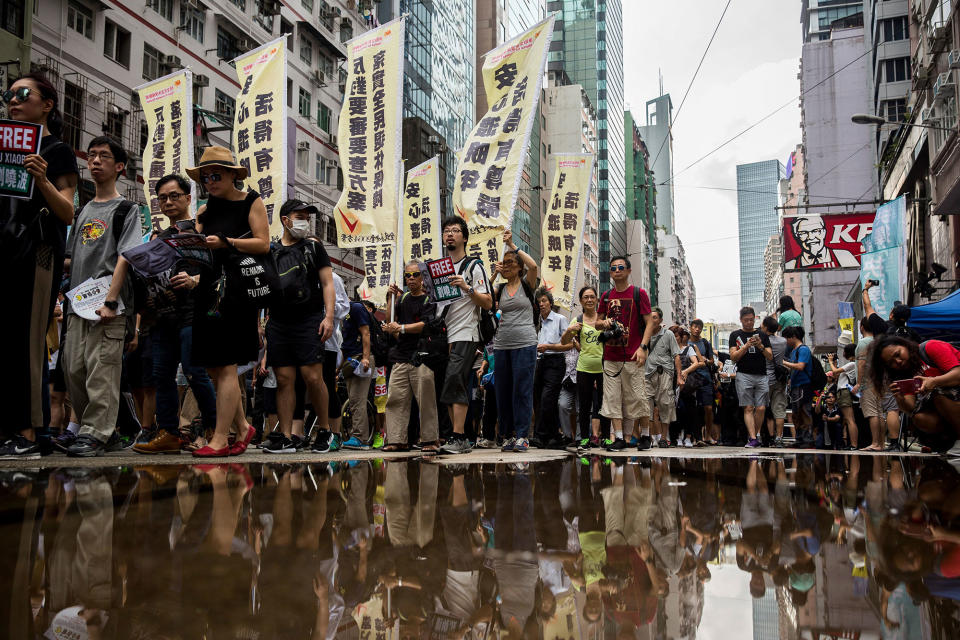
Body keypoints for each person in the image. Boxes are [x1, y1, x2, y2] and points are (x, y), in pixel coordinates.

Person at [0, 73, 78, 457]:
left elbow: (67, 211)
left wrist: (42, 179)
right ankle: (11, 427)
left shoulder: (57, 150)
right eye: (8, 95)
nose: (13, 101)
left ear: (46, 103)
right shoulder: (4, 149)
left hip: (39, 253)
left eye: (23, 94)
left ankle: (32, 433)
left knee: (30, 342)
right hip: (5, 252)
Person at [57, 137, 141, 457]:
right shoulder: (82, 211)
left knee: (101, 369)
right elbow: (71, 257)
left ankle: (96, 432)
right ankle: (109, 427)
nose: (95, 161)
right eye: (91, 155)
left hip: (109, 306)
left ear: (119, 167)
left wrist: (110, 300)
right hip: (78, 305)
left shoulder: (127, 210)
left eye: (103, 156)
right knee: (74, 369)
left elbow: (125, 257)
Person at [187, 146, 268, 457]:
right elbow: (198, 248)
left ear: (234, 174)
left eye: (216, 174)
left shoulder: (251, 201)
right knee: (213, 366)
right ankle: (244, 428)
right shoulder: (206, 210)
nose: (210, 180)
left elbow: (263, 243)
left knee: (227, 365)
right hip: (208, 287)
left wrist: (227, 243)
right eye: (205, 176)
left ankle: (220, 438)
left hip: (237, 289)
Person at [133, 174, 217, 454]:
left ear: (188, 198)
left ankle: (213, 431)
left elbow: (220, 276)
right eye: (163, 198)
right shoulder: (159, 239)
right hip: (162, 317)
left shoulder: (202, 233)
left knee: (195, 373)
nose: (168, 202)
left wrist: (195, 282)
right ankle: (168, 433)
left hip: (193, 316)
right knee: (161, 375)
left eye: (174, 196)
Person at [260, 200, 335, 453]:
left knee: (313, 377)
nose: (304, 220)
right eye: (299, 216)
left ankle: (325, 430)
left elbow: (327, 283)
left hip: (309, 320)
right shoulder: (269, 250)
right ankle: (286, 435)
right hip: (278, 322)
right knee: (283, 379)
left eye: (306, 217)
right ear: (285, 220)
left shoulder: (314, 248)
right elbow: (260, 288)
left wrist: (329, 317)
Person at [437, 216, 493, 454]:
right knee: (449, 385)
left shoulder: (474, 266)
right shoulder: (439, 268)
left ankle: (459, 436)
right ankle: (455, 435)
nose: (450, 234)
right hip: (445, 334)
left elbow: (489, 302)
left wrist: (467, 287)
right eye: (447, 231)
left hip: (466, 332)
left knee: (456, 381)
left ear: (465, 238)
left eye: (455, 231)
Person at [596, 256, 655, 451]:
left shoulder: (639, 294)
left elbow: (650, 323)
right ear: (610, 273)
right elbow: (597, 322)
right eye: (613, 268)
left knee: (638, 397)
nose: (617, 270)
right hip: (610, 358)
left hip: (633, 356)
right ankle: (619, 438)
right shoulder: (606, 296)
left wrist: (643, 348)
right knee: (612, 399)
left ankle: (646, 436)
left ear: (629, 271)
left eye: (621, 267)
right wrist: (603, 323)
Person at [381, 261, 439, 452]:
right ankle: (396, 439)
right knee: (395, 399)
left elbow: (425, 324)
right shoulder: (403, 298)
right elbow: (390, 318)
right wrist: (390, 297)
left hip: (422, 356)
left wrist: (401, 328)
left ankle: (430, 439)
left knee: (426, 400)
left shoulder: (429, 300)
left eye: (415, 275)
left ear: (423, 277)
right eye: (408, 275)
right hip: (401, 355)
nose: (411, 279)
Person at [491, 232, 539, 453]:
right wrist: (494, 274)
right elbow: (484, 298)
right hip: (501, 346)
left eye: (511, 263)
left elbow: (534, 266)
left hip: (525, 344)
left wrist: (511, 245)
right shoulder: (499, 289)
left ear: (519, 268)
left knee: (522, 390)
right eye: (505, 263)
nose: (507, 266)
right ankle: (507, 435)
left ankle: (522, 435)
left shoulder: (527, 285)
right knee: (502, 391)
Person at [869, 334, 960, 450]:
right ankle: (947, 444)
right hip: (946, 409)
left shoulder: (931, 347)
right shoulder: (905, 371)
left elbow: (958, 374)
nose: (898, 361)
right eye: (891, 362)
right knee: (919, 418)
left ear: (905, 345)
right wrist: (899, 398)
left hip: (952, 398)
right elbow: (910, 408)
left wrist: (933, 381)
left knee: (938, 397)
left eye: (898, 354)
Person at [861, 282, 910, 449]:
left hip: (889, 376)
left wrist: (866, 289)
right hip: (910, 375)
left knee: (892, 408)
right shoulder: (912, 334)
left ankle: (895, 442)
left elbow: (868, 307)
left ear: (891, 315)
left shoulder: (883, 328)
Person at [562, 286, 606, 450]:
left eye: (592, 297)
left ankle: (606, 438)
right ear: (581, 301)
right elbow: (564, 341)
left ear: (597, 300)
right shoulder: (577, 320)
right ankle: (585, 439)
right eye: (586, 297)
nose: (589, 300)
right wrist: (569, 330)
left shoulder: (603, 319)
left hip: (603, 369)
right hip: (583, 368)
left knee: (603, 405)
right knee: (585, 406)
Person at [313, 271, 350, 452]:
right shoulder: (300, 274)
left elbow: (344, 307)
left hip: (327, 343)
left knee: (327, 385)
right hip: (303, 341)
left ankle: (335, 434)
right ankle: (298, 434)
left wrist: (325, 305)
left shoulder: (333, 278)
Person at [729, 307, 773, 448]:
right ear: (741, 320)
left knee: (761, 408)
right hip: (743, 375)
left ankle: (756, 434)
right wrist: (746, 345)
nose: (749, 323)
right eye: (746, 320)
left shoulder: (763, 335)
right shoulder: (735, 335)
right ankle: (753, 438)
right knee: (748, 407)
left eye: (751, 320)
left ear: (755, 319)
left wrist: (760, 345)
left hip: (761, 374)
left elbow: (770, 356)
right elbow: (733, 357)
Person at [533, 288, 572, 448]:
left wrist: (549, 347)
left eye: (544, 301)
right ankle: (554, 436)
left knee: (547, 398)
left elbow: (570, 345)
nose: (541, 304)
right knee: (539, 399)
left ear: (550, 302)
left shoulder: (560, 319)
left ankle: (540, 436)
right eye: (539, 302)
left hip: (555, 361)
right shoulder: (536, 321)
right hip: (539, 362)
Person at [642, 309, 682, 449]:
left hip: (664, 373)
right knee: (647, 407)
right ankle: (650, 438)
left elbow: (676, 355)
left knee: (665, 404)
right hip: (647, 374)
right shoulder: (644, 334)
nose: (652, 320)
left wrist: (679, 376)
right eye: (649, 317)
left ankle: (664, 438)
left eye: (655, 317)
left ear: (660, 320)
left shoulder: (668, 334)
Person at [340, 297, 373, 449]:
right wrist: (338, 367)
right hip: (349, 360)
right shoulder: (343, 312)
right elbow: (345, 344)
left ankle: (360, 438)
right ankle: (356, 435)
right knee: (353, 400)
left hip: (360, 358)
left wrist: (366, 358)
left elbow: (366, 333)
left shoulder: (356, 308)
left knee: (358, 399)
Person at [781, 326, 815, 447]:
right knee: (796, 414)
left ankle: (807, 439)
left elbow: (801, 366)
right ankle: (800, 438)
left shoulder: (803, 349)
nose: (786, 341)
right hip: (796, 386)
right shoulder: (794, 350)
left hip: (804, 386)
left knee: (804, 412)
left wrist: (784, 363)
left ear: (793, 337)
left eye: (786, 338)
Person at [783, 215, 859, 269]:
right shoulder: (791, 265)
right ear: (797, 236)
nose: (811, 237)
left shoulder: (843, 256)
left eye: (815, 231)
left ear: (824, 232)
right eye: (803, 233)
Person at [761, 316, 787, 448]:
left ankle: (767, 437)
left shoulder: (762, 341)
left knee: (763, 410)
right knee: (779, 409)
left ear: (765, 327)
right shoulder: (783, 341)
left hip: (764, 378)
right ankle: (778, 438)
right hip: (779, 378)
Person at [689, 319, 717, 443]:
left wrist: (705, 360)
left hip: (705, 378)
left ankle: (708, 435)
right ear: (690, 327)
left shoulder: (705, 342)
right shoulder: (686, 342)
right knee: (694, 409)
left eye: (699, 327)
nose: (697, 329)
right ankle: (694, 436)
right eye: (695, 326)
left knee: (708, 408)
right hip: (691, 378)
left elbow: (712, 361)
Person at [828, 343, 859, 450]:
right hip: (843, 392)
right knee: (848, 419)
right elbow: (836, 375)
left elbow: (835, 372)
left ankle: (854, 445)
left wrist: (831, 362)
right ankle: (852, 444)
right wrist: (834, 363)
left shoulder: (852, 364)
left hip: (844, 392)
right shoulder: (851, 364)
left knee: (850, 419)